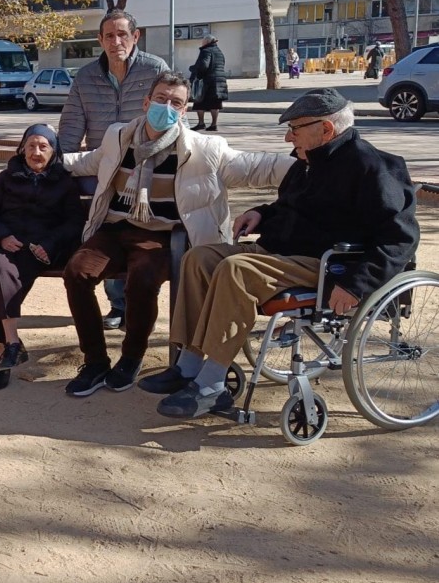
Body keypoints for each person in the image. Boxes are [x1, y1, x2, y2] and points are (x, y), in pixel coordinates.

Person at [150, 88, 418, 419]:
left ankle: (212, 385)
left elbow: (400, 237)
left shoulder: (372, 167)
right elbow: (293, 207)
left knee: (236, 268)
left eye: (295, 129)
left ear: (326, 129)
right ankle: (188, 366)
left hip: (325, 264)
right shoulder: (309, 161)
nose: (288, 137)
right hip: (280, 253)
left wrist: (356, 283)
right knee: (198, 258)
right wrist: (262, 213)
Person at [61, 72, 293, 397]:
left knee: (142, 280)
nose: (166, 107)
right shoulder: (119, 136)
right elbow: (87, 161)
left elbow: (254, 166)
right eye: (161, 99)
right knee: (76, 272)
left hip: (162, 236)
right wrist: (42, 157)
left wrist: (304, 162)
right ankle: (96, 361)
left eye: (176, 102)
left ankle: (131, 358)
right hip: (115, 229)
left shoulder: (204, 148)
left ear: (184, 110)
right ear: (146, 102)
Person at [58, 9, 168, 333]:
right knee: (106, 230)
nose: (115, 41)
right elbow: (71, 123)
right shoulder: (85, 77)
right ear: (100, 40)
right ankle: (118, 304)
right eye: (109, 35)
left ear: (135, 37)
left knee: (142, 240)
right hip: (104, 169)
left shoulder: (155, 69)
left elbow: (171, 115)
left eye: (122, 34)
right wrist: (61, 161)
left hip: (146, 168)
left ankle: (137, 304)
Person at [0, 124, 85, 390]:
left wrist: (49, 244)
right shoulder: (7, 177)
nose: (36, 152)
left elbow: (74, 222)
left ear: (53, 151)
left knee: (7, 280)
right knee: (2, 271)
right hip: (7, 243)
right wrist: (2, 236)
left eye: (43, 147)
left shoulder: (64, 183)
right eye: (31, 146)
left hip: (43, 248)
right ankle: (12, 343)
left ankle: (5, 352)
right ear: (22, 149)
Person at [190, 36, 229, 132]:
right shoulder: (219, 52)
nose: (202, 43)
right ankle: (214, 124)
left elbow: (204, 65)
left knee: (199, 101)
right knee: (215, 103)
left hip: (208, 81)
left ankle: (201, 123)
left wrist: (196, 72)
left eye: (203, 41)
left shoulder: (206, 51)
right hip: (219, 80)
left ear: (207, 42)